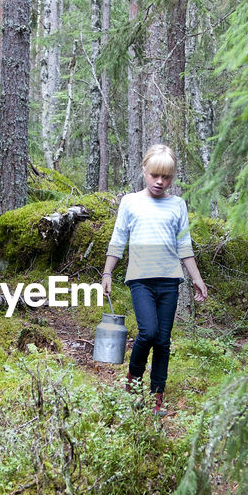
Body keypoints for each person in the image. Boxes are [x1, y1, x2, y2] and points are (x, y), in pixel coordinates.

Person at [102, 144, 209, 414]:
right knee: (148, 332)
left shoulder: (177, 205)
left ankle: (156, 398)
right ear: (144, 172)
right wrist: (107, 273)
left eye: (167, 177)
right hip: (140, 280)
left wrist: (196, 278)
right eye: (154, 175)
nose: (160, 182)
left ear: (172, 177)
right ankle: (133, 384)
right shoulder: (130, 202)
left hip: (170, 281)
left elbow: (184, 245)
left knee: (163, 340)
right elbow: (118, 240)